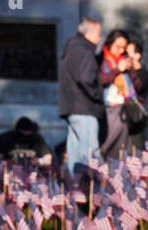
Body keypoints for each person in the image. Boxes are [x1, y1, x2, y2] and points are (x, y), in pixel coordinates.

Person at [58, 17, 103, 177]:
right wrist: (98, 95)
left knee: (74, 153)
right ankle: (88, 190)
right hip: (84, 108)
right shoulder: (83, 51)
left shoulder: (73, 48)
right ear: (89, 35)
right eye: (98, 34)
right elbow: (85, 78)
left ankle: (75, 185)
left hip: (73, 107)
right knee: (89, 153)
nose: (99, 39)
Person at [100, 28, 132, 159]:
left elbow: (136, 86)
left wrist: (132, 68)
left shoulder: (124, 60)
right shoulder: (101, 60)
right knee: (105, 147)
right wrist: (117, 70)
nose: (121, 51)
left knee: (121, 151)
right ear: (109, 43)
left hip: (123, 108)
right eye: (118, 47)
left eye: (124, 48)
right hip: (108, 109)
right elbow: (101, 80)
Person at [126, 39, 148, 148]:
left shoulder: (144, 74)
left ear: (137, 55)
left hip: (135, 117)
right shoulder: (123, 72)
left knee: (136, 150)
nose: (125, 57)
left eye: (128, 54)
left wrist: (129, 70)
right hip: (123, 116)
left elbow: (138, 88)